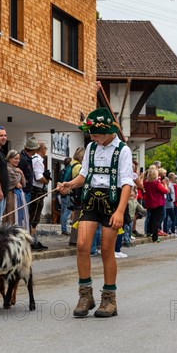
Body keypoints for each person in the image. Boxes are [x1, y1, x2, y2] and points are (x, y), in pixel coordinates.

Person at [58, 107, 134, 318]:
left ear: (110, 131)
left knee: (107, 250)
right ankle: (85, 295)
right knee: (82, 245)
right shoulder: (91, 148)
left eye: (96, 134)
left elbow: (127, 183)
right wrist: (69, 185)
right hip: (91, 200)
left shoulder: (123, 150)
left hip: (112, 202)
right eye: (91, 134)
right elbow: (84, 175)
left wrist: (120, 212)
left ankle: (109, 299)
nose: (92, 137)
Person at [29, 141, 50, 251]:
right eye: (45, 148)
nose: (46, 149)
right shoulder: (37, 160)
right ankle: (32, 240)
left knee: (34, 215)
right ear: (40, 149)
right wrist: (46, 180)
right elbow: (38, 177)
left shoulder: (36, 159)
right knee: (34, 216)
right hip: (37, 190)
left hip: (37, 190)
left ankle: (33, 239)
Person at [144, 166, 168, 243]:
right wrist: (165, 184)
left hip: (149, 202)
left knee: (150, 218)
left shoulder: (146, 182)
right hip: (158, 202)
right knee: (156, 220)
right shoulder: (157, 183)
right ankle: (155, 236)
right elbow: (165, 191)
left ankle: (148, 232)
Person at [5, 149, 28, 227]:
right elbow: (18, 185)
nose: (18, 160)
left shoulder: (17, 169)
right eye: (15, 158)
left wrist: (21, 173)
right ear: (9, 158)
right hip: (10, 195)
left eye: (19, 159)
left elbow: (24, 184)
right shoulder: (8, 169)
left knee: (18, 215)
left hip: (17, 196)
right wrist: (19, 176)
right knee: (11, 214)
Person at [58, 157, 73, 235]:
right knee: (67, 212)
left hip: (61, 193)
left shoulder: (62, 171)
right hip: (67, 192)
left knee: (63, 211)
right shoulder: (70, 170)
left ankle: (63, 228)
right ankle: (64, 229)